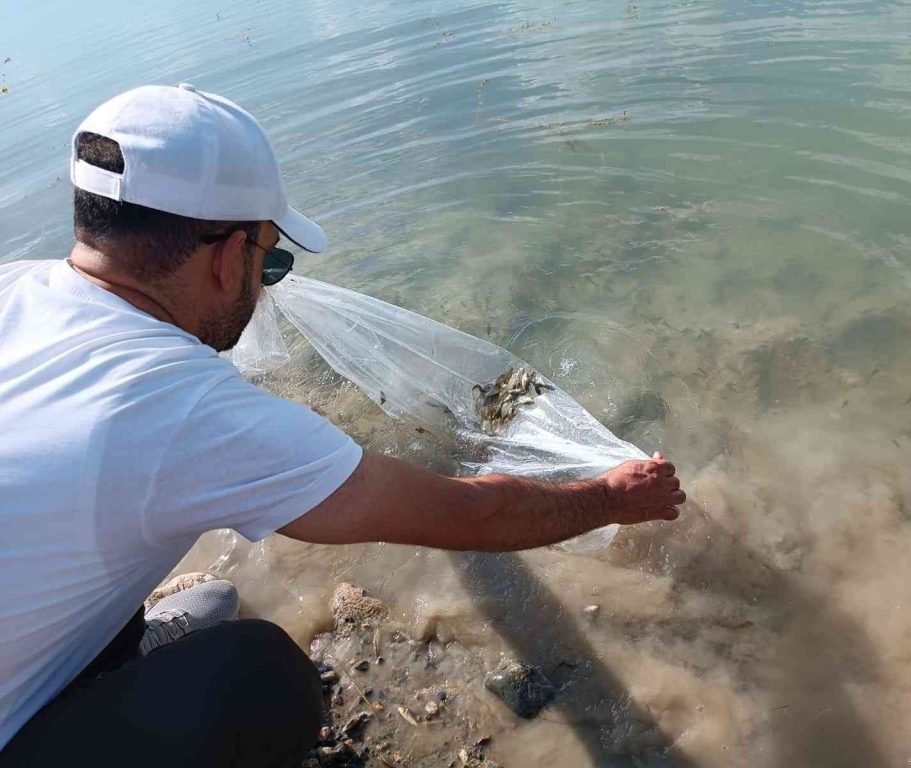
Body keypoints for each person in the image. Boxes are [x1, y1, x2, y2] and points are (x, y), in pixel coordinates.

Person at [0, 84, 686, 767]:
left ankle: (91, 662)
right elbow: (474, 516)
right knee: (259, 678)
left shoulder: (13, 288)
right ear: (223, 255)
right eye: (271, 261)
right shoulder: (181, 412)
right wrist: (614, 498)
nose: (269, 286)